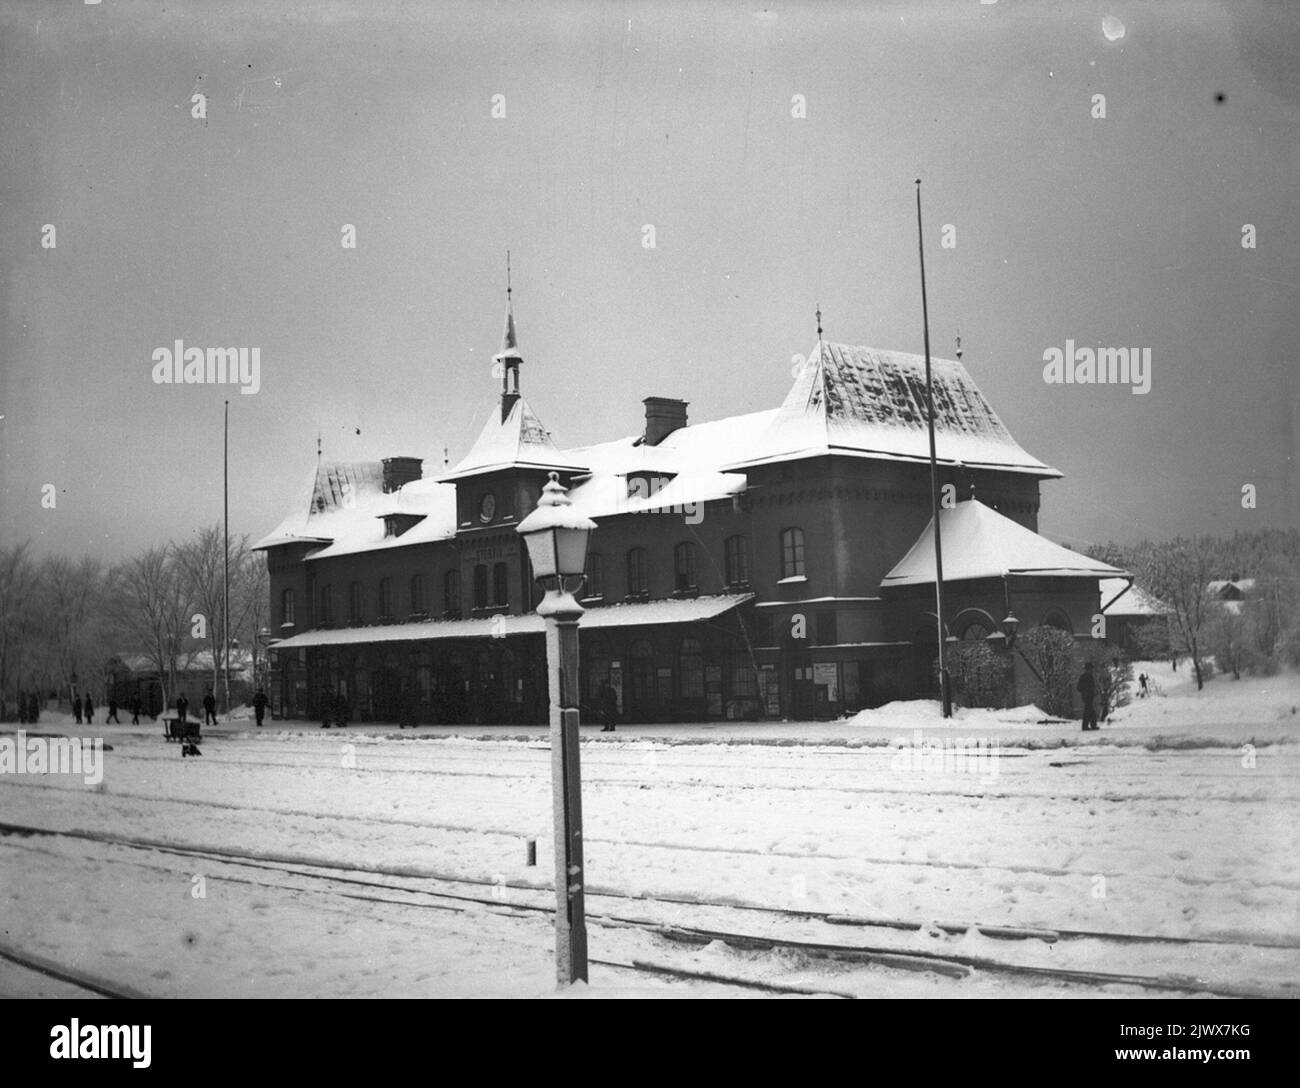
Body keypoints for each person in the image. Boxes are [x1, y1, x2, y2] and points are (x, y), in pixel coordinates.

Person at [1077, 662, 1098, 732]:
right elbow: (1079, 687)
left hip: (1088, 696)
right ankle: (1088, 726)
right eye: (1091, 669)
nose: (1092, 670)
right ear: (1088, 669)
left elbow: (1079, 687)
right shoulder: (1085, 677)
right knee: (1088, 711)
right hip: (1087, 696)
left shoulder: (1087, 676)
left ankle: (1091, 725)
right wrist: (1087, 690)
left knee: (1089, 711)